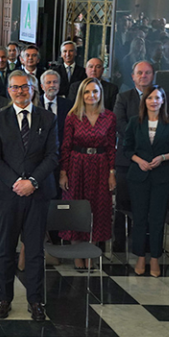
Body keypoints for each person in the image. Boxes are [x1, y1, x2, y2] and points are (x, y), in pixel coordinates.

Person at [0, 70, 58, 322]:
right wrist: (17, 182)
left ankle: (36, 300)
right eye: (15, 88)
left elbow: (53, 156)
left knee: (36, 251)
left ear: (33, 88)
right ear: (8, 91)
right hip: (8, 193)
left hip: (38, 194)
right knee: (6, 249)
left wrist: (33, 182)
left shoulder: (48, 118)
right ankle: (4, 298)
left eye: (24, 87)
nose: (20, 91)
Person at [123, 85, 169, 277]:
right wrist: (139, 161)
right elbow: (127, 148)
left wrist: (163, 158)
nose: (154, 101)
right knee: (140, 218)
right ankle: (140, 257)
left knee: (157, 219)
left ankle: (155, 258)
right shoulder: (134, 122)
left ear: (163, 101)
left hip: (162, 177)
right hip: (138, 176)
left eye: (158, 98)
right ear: (145, 101)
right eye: (150, 98)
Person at [59, 77, 116, 270]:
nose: (91, 95)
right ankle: (77, 254)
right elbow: (65, 146)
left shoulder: (109, 116)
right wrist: (63, 172)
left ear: (100, 94)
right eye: (87, 92)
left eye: (95, 92)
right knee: (75, 206)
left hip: (100, 166)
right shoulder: (72, 116)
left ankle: (90, 252)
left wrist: (111, 172)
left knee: (98, 208)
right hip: (77, 165)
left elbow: (111, 148)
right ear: (81, 95)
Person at [113, 60, 156, 253]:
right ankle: (119, 243)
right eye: (139, 73)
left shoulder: (161, 97)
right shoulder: (123, 97)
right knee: (123, 202)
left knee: (146, 204)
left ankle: (141, 243)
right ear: (133, 76)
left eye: (147, 73)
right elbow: (119, 124)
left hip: (152, 161)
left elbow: (166, 124)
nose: (143, 76)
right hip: (126, 159)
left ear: (152, 76)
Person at [40, 70, 75, 152]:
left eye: (55, 82)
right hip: (40, 152)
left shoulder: (68, 105)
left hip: (61, 150)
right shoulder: (35, 104)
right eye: (48, 82)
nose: (52, 85)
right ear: (42, 86)